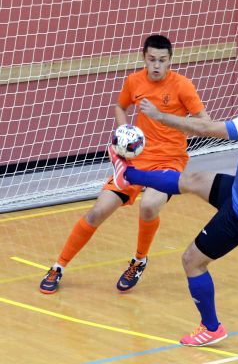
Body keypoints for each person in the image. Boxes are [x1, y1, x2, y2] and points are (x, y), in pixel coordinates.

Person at [108, 67, 238, 346]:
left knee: (191, 261)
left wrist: (159, 116)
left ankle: (211, 327)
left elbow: (205, 128)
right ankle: (129, 175)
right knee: (195, 179)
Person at [39, 35, 207, 294]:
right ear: (144, 58)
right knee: (97, 211)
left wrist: (169, 120)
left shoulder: (183, 86)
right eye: (152, 59)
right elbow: (120, 106)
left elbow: (205, 122)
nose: (156, 65)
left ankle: (139, 260)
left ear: (170, 61)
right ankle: (58, 266)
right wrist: (124, 133)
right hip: (134, 161)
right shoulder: (134, 81)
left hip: (169, 161)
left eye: (162, 60)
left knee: (149, 206)